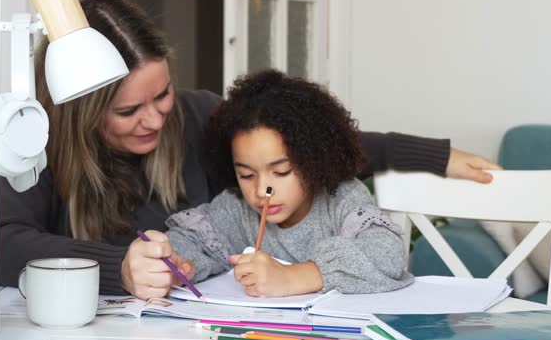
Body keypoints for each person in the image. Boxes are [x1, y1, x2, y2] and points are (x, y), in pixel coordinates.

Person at [0, 0, 501, 298]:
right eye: (128, 112)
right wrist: (117, 267)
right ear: (78, 109)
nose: (155, 118)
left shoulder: (195, 115)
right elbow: (1, 245)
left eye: (162, 93)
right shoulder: (35, 145)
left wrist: (432, 156)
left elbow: (306, 144)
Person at [164, 69, 411, 297]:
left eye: (282, 171)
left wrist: (294, 278)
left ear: (314, 159)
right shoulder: (236, 208)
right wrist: (173, 263)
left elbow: (387, 254)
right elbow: (188, 243)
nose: (262, 191)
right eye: (247, 175)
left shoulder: (341, 198)